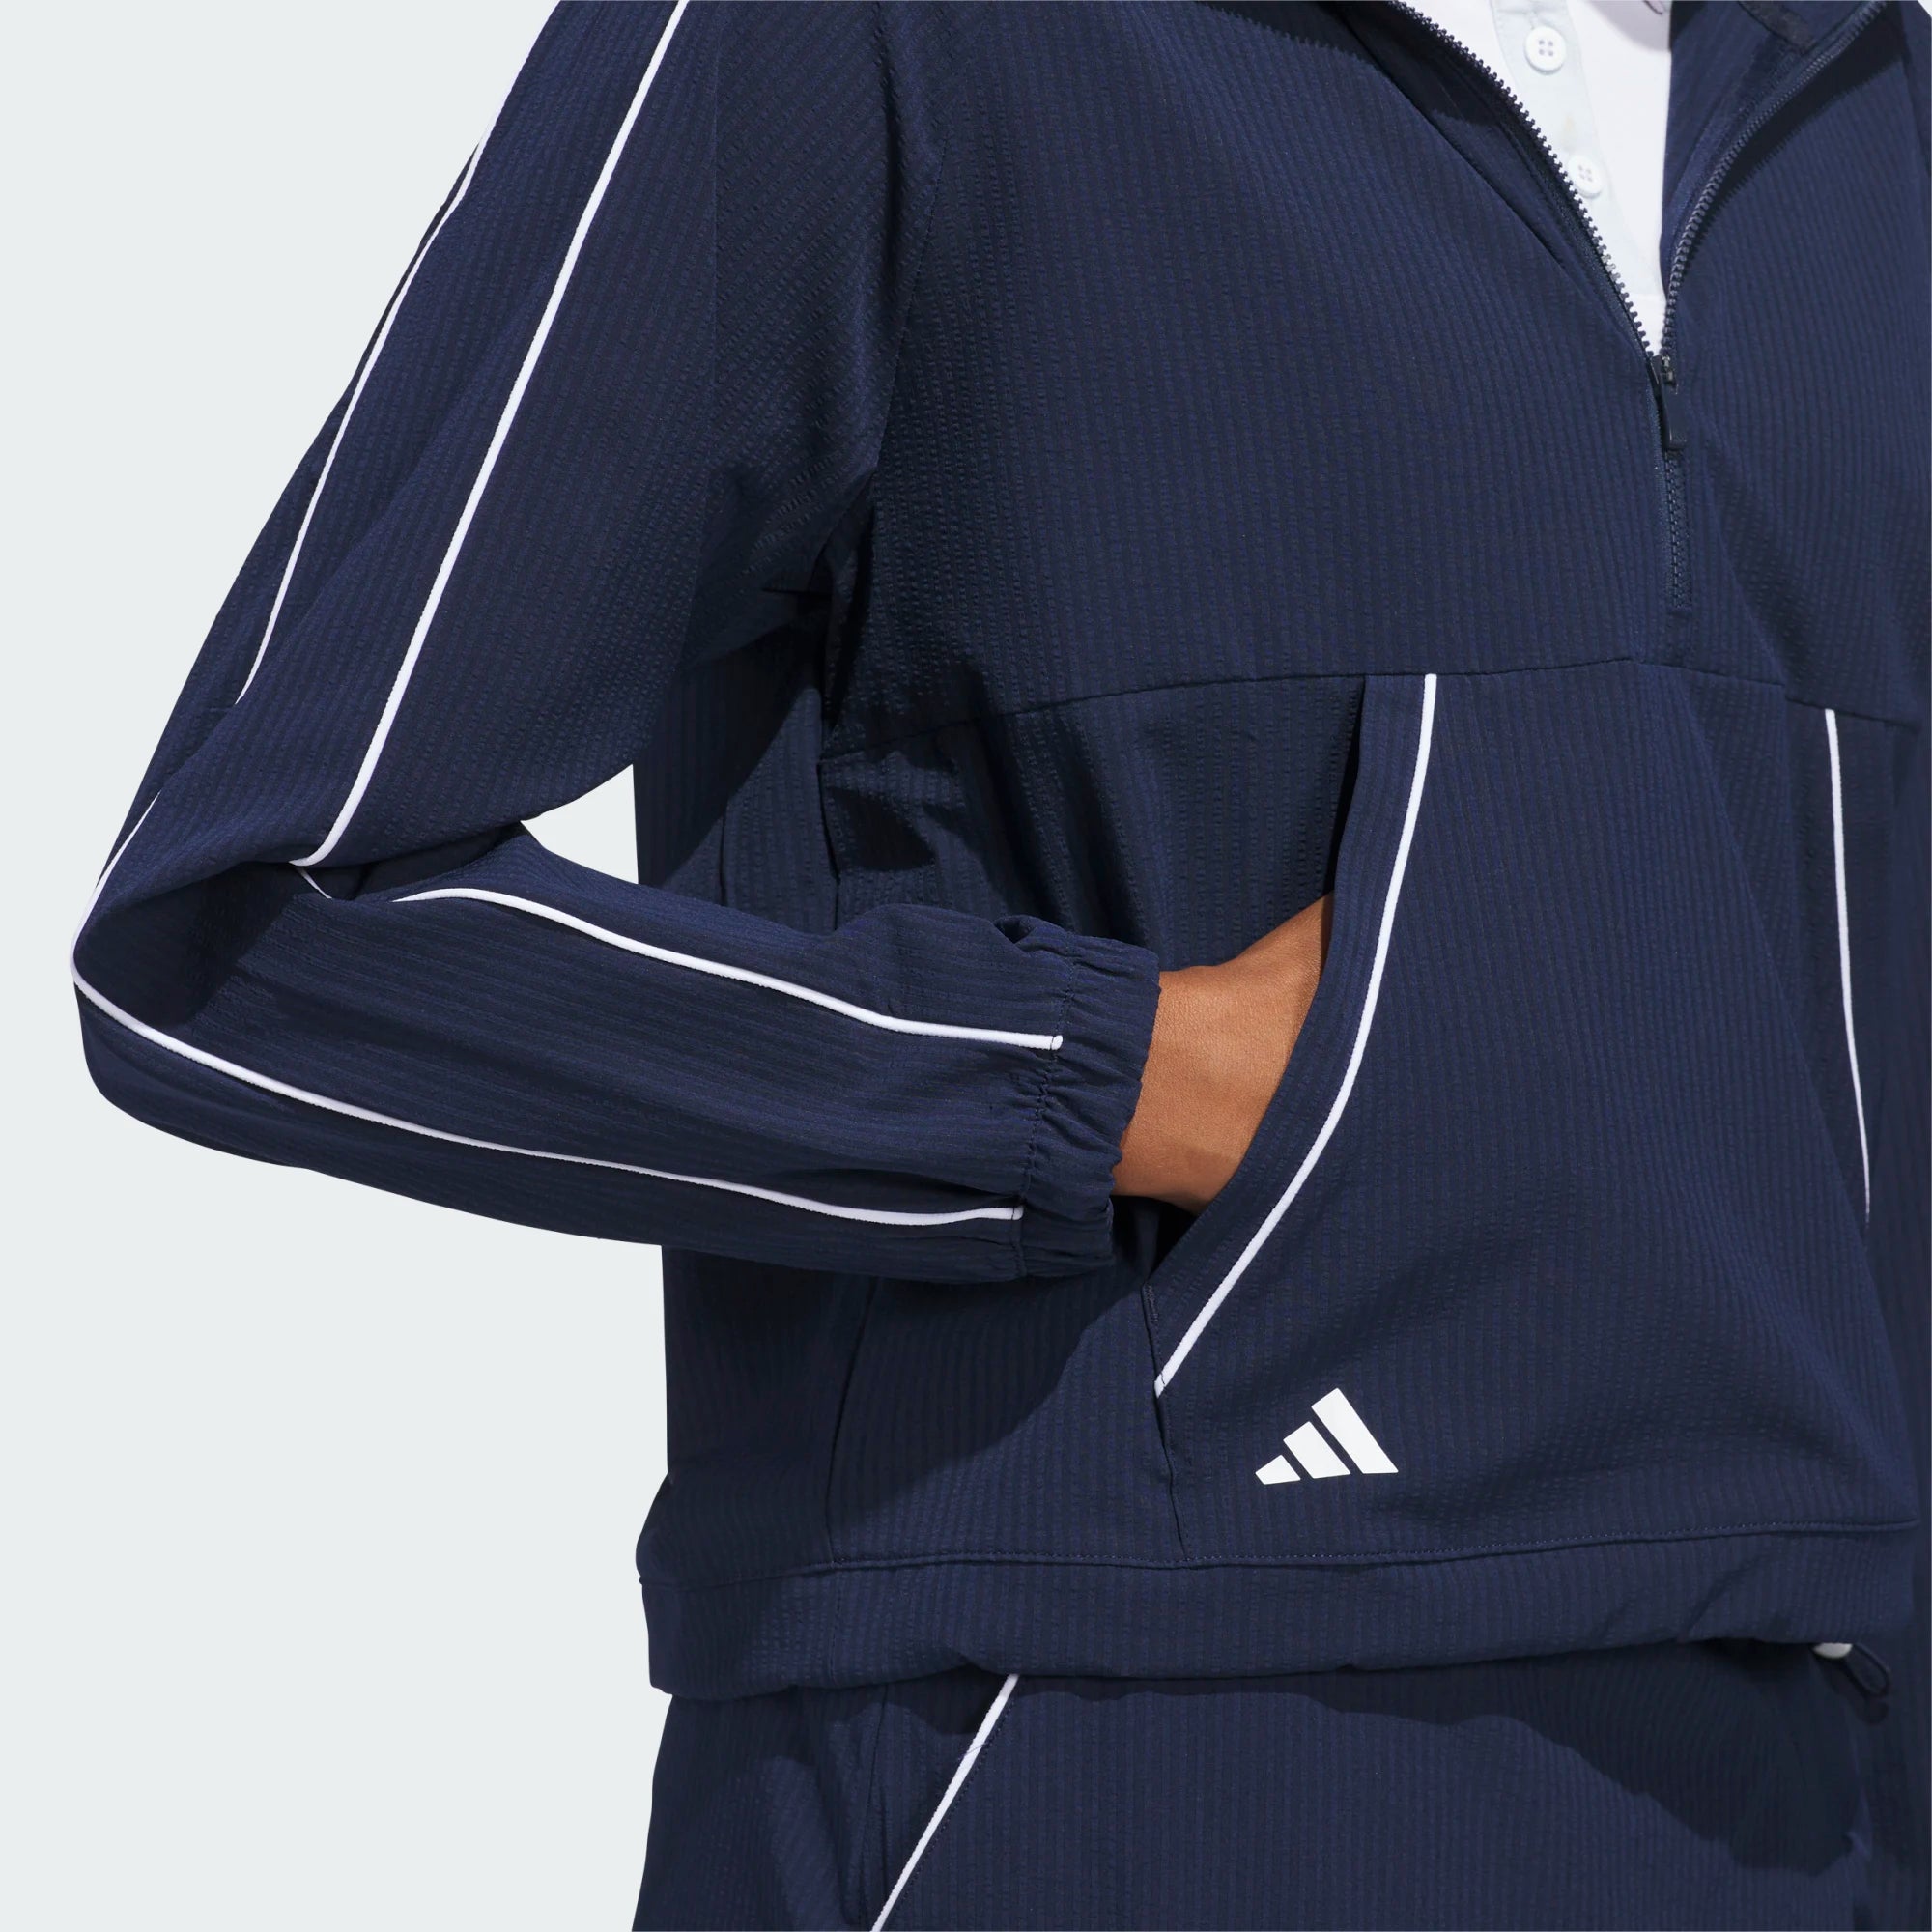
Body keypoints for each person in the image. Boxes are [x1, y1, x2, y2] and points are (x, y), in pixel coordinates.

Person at [72, 1, 1927, 1924]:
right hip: (1101, 1744)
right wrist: (1092, 1081)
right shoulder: (872, 36)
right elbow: (250, 921)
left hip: (1812, 1773)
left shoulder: (1861, 93)